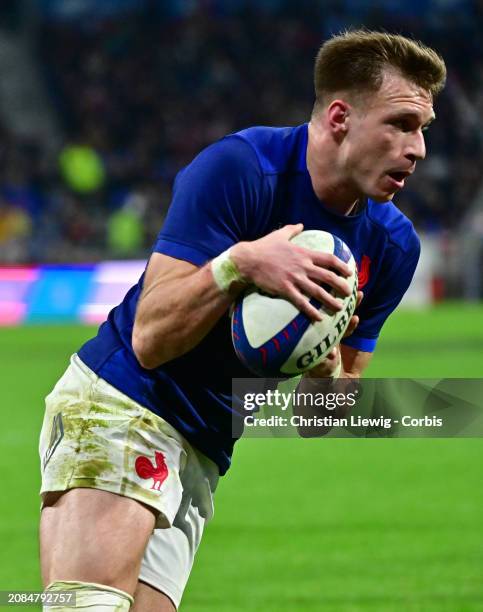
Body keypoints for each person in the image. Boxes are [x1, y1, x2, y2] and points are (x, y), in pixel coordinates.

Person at [39, 30, 446, 611]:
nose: (418, 148)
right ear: (339, 117)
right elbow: (149, 339)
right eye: (402, 124)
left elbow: (319, 419)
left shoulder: (392, 247)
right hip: (123, 403)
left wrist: (326, 369)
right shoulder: (242, 169)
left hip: (206, 448)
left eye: (423, 130)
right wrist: (241, 263)